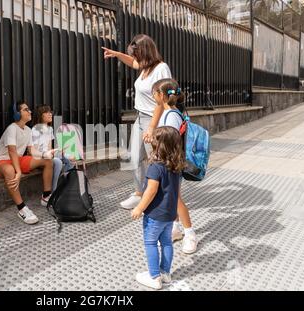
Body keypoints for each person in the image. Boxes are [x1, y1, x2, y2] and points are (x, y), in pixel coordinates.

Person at [102, 34, 172, 210]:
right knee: (134, 157)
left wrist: (151, 128)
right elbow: (133, 63)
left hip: (154, 121)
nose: (134, 58)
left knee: (156, 161)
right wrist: (117, 54)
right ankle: (140, 193)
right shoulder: (145, 67)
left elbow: (162, 102)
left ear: (145, 51)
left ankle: (161, 198)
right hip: (140, 118)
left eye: (136, 54)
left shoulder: (161, 69)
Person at [131, 126, 185, 290]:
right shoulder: (176, 166)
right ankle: (165, 274)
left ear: (159, 145)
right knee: (167, 242)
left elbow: (151, 190)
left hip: (155, 215)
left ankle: (154, 277)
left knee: (151, 243)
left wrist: (139, 208)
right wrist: (175, 213)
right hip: (169, 214)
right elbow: (176, 191)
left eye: (154, 139)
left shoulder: (155, 166)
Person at [151, 78, 198, 254]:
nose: (153, 97)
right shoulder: (173, 112)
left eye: (154, 94)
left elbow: (169, 142)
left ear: (162, 96)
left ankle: (190, 233)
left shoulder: (170, 116)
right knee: (173, 197)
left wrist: (154, 139)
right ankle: (175, 228)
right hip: (173, 162)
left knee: (175, 199)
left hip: (170, 163)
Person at [0, 101, 54, 225]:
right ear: (17, 114)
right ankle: (22, 209)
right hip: (2, 161)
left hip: (18, 160)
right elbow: (12, 151)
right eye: (26, 109)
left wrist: (44, 154)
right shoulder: (11, 128)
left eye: (29, 109)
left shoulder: (28, 130)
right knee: (10, 170)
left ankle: (46, 197)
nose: (30, 111)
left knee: (48, 161)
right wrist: (18, 172)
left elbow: (31, 151)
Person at [32, 105, 74, 191]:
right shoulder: (35, 130)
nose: (50, 114)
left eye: (50, 112)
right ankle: (54, 191)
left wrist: (59, 150)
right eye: (47, 112)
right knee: (58, 162)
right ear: (40, 115)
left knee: (70, 157)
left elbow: (49, 148)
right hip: (40, 158)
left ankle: (65, 185)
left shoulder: (50, 129)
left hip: (48, 155)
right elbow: (34, 151)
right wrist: (49, 154)